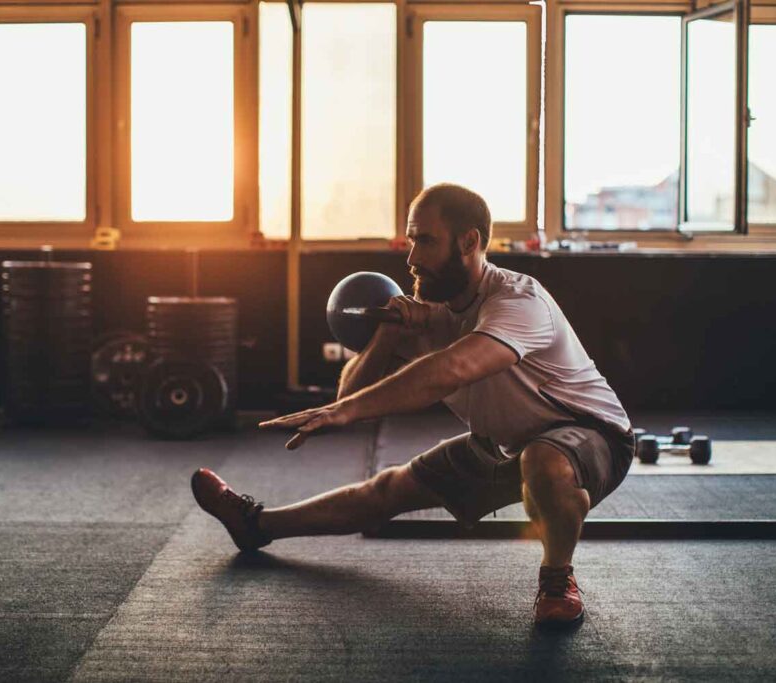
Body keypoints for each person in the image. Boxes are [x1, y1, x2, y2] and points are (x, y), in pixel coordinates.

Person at [191, 183, 634, 627]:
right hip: (507, 442)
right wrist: (388, 336)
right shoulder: (427, 314)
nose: (411, 259)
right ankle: (257, 525)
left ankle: (557, 581)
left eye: (425, 241)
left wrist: (344, 412)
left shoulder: (517, 301)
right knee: (387, 490)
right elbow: (350, 394)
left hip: (592, 433)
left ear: (470, 242)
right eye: (410, 241)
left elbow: (452, 369)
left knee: (545, 460)